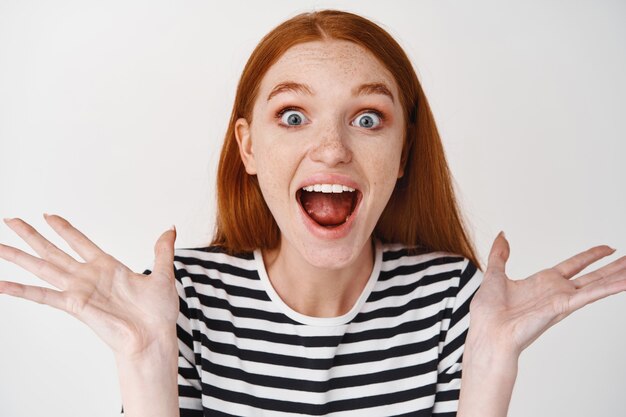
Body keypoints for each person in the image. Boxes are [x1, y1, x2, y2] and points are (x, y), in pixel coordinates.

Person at [0, 9, 624, 417]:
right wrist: (144, 359)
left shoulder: (456, 303)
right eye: (292, 116)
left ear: (403, 152)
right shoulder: (178, 300)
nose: (332, 148)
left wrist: (489, 369)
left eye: (368, 118)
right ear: (248, 146)